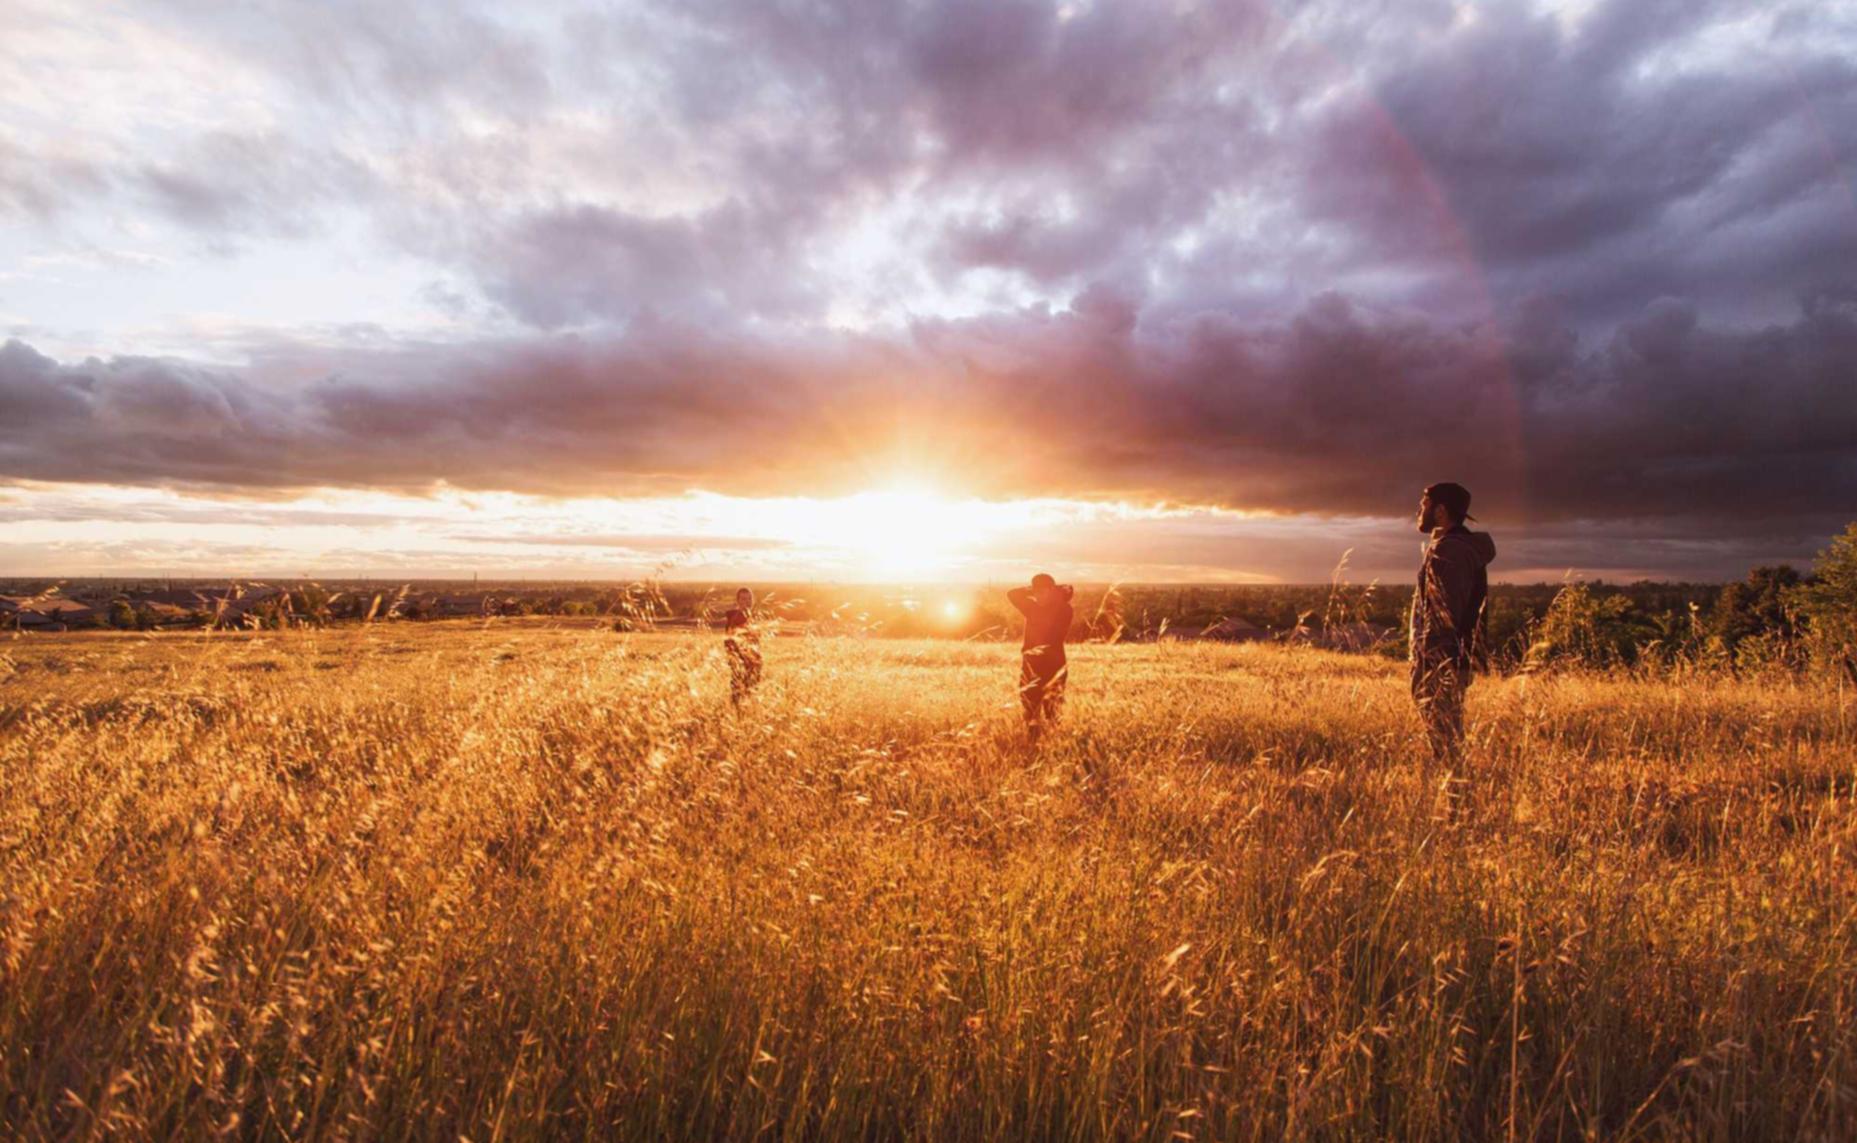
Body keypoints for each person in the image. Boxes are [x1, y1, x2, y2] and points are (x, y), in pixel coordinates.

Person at [1410, 482, 1497, 767]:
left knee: (1446, 742)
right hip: (1444, 662)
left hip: (1442, 663)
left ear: (1441, 511)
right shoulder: (1448, 547)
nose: (1418, 510)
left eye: (1424, 504)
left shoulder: (1452, 552)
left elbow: (1446, 615)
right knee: (1445, 739)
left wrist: (1436, 664)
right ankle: (1453, 792)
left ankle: (1455, 798)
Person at [1007, 573, 1074, 741]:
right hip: (1031, 664)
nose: (1038, 596)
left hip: (1054, 664)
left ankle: (1054, 744)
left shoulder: (1064, 609)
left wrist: (1056, 592)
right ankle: (1033, 743)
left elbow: (1053, 635)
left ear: (1052, 590)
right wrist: (1033, 590)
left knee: (1052, 710)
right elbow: (1012, 594)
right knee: (1029, 708)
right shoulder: (1032, 607)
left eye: (1042, 592)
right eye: (1035, 592)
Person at [723, 587, 763, 705]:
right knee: (740, 693)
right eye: (744, 599)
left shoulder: (752, 618)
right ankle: (737, 717)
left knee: (751, 694)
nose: (747, 601)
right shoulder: (735, 619)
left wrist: (758, 660)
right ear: (738, 601)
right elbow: (729, 642)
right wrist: (737, 660)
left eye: (750, 598)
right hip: (741, 663)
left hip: (753, 663)